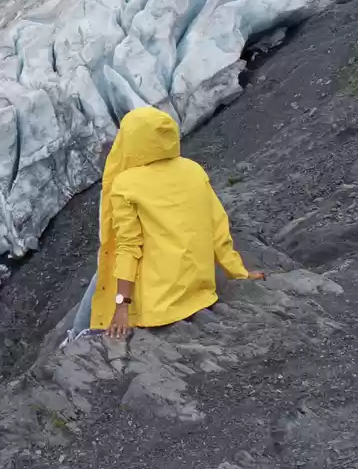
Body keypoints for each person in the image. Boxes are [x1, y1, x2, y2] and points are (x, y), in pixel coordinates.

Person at [66, 106, 264, 343]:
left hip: (156, 308)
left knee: (107, 266)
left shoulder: (126, 184)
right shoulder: (193, 170)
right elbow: (218, 230)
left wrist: (122, 308)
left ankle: (77, 338)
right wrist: (240, 273)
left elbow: (128, 248)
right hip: (197, 293)